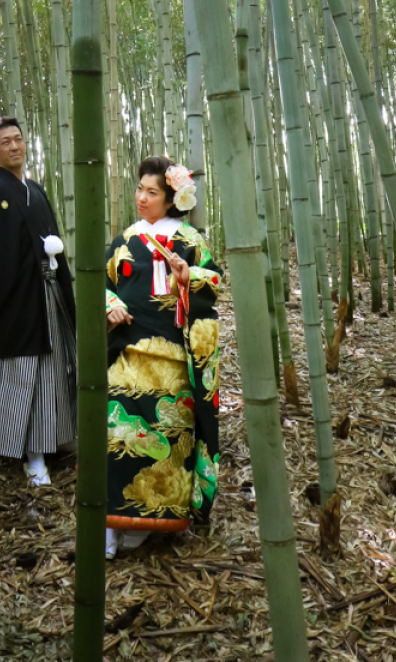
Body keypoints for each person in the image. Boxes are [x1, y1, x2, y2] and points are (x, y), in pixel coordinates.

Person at [104, 155, 221, 558]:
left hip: (173, 359)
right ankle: (112, 519)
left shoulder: (190, 240)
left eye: (151, 192)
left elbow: (215, 281)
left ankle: (154, 521)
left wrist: (188, 276)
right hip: (128, 353)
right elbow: (99, 283)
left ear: (171, 199)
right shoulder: (125, 239)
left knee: (169, 438)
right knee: (119, 436)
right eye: (139, 189)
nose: (142, 197)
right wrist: (109, 306)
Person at [0, 116, 76, 486]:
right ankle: (32, 454)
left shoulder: (35, 190)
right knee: (26, 370)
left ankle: (57, 436)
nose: (14, 146)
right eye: (5, 142)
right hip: (17, 299)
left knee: (56, 364)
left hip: (49, 291)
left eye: (18, 139)